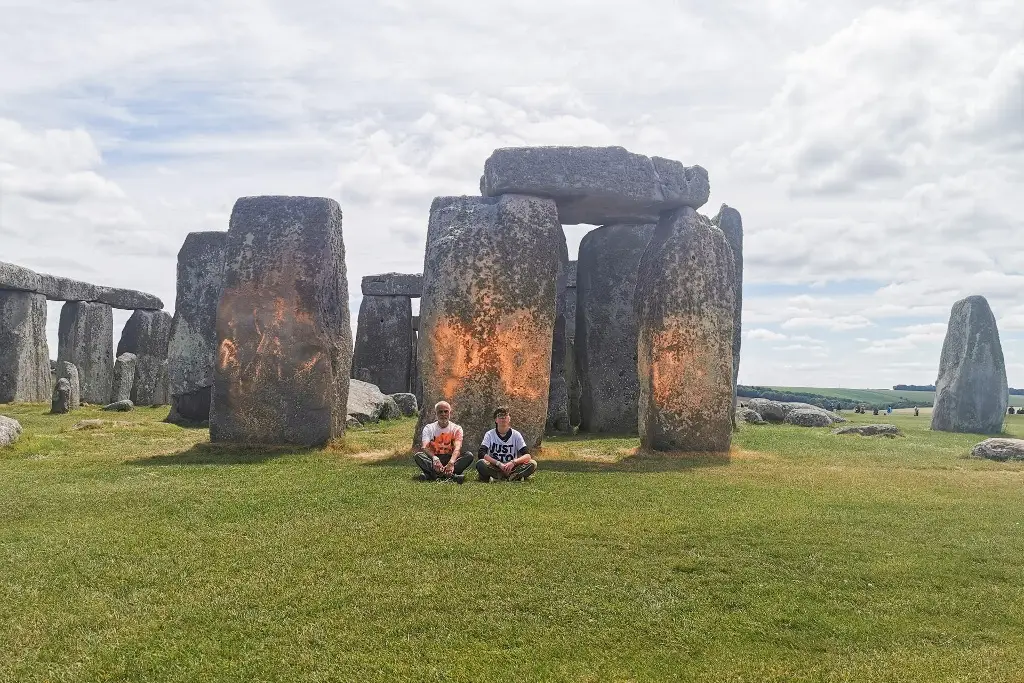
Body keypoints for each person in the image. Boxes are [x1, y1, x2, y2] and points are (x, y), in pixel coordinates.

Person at [414, 401, 474, 483]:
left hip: (450, 458)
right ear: (436, 414)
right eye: (440, 412)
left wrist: (451, 462)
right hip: (434, 459)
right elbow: (425, 447)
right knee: (418, 456)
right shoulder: (429, 428)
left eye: (446, 411)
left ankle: (432, 475)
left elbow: (457, 448)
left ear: (450, 413)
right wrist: (434, 458)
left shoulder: (457, 429)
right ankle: (452, 476)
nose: (443, 414)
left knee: (469, 455)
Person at [476, 406, 538, 482]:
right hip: (496, 466)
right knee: (481, 463)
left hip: (512, 467)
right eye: (500, 416)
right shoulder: (490, 434)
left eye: (505, 416)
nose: (503, 418)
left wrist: (513, 463)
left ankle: (512, 475)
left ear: (509, 419)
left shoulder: (516, 434)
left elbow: (527, 455)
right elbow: (481, 453)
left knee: (532, 463)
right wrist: (499, 464)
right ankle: (503, 476)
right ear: (496, 420)